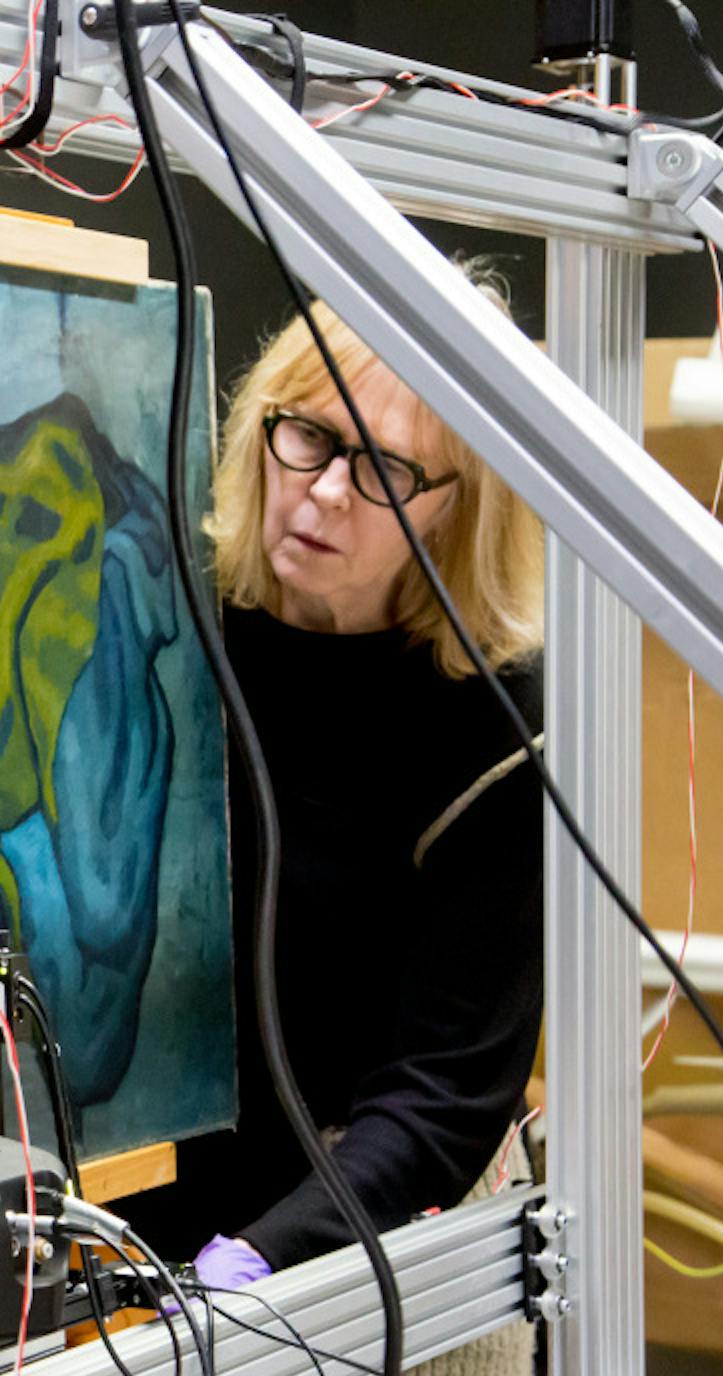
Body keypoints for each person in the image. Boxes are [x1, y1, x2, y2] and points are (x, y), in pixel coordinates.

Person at [123, 272, 547, 1305]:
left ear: (459, 510)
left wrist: (266, 1259)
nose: (321, 493)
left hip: (359, 1243)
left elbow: (446, 1091)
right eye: (307, 436)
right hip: (126, 1218)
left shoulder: (497, 726)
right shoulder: (163, 617)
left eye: (385, 470)